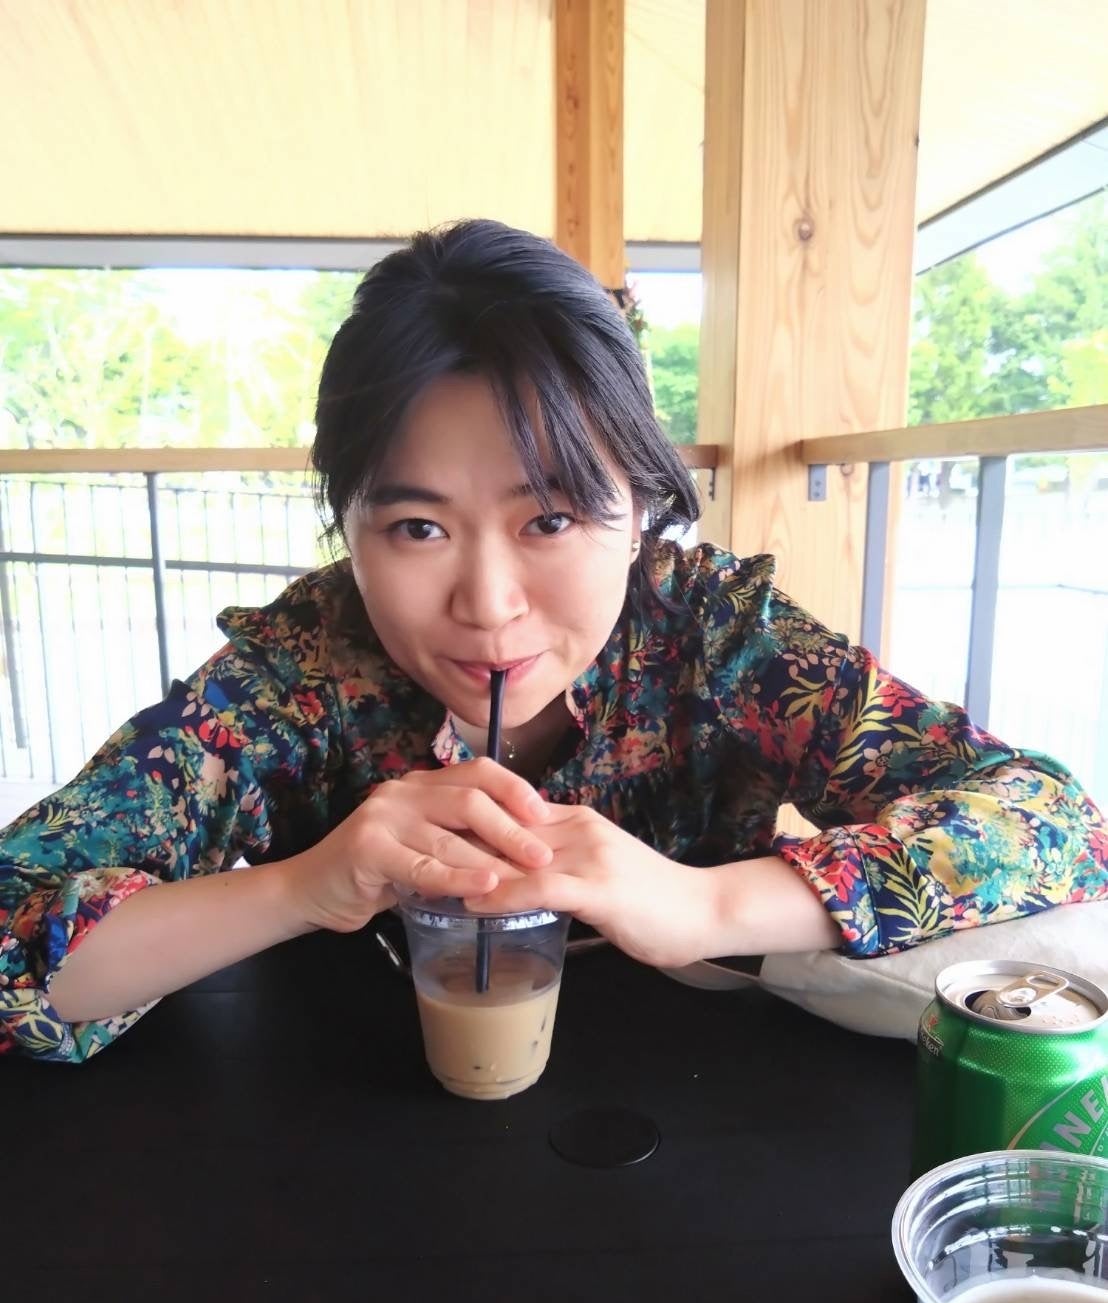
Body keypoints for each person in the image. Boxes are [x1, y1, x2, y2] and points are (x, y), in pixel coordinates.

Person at [2, 220, 1106, 1064]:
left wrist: (709, 905)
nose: (488, 604)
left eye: (552, 518)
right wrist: (305, 885)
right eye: (417, 527)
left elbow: (1051, 820)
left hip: (705, 1145)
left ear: (641, 508)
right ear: (349, 528)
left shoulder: (718, 637)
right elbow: (18, 925)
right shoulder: (303, 667)